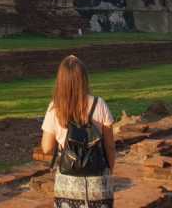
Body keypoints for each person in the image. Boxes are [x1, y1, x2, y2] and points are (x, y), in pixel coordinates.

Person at [40, 55, 115, 207]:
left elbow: (46, 148)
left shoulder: (55, 107)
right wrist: (109, 171)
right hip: (98, 180)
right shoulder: (99, 104)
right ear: (84, 79)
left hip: (67, 182)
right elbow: (110, 146)